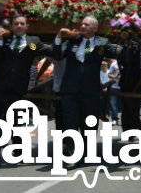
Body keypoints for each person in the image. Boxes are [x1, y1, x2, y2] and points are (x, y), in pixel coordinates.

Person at [54, 16, 123, 170]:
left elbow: (118, 52)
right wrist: (59, 37)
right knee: (70, 123)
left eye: (87, 24)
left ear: (94, 28)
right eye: (82, 23)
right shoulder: (72, 41)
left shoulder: (102, 43)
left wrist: (126, 40)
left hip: (90, 92)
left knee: (89, 125)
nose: (82, 26)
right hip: (70, 91)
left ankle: (85, 151)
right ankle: (72, 154)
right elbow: (57, 55)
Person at [0, 14, 53, 170]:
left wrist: (62, 43)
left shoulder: (33, 43)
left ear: (27, 26)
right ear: (11, 26)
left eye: (22, 23)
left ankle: (18, 150)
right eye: (16, 23)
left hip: (16, 92)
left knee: (16, 124)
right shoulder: (3, 40)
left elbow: (47, 50)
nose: (19, 26)